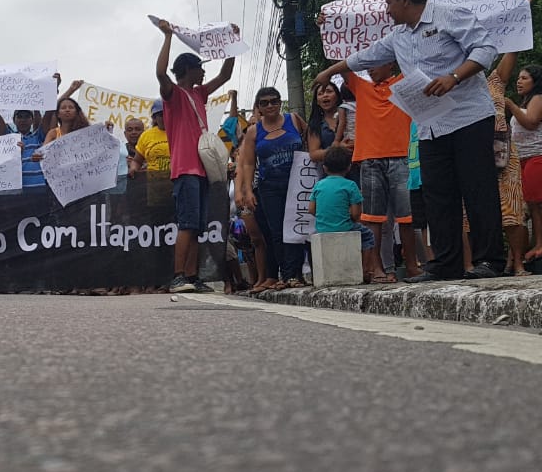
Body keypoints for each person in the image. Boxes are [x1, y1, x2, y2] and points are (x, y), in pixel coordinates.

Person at [315, 0, 504, 283]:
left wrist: (454, 77)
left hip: (468, 117)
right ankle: (445, 264)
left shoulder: (449, 15)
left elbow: (485, 49)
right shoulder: (398, 36)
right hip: (430, 125)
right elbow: (367, 56)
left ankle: (490, 260)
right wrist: (330, 71)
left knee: (477, 189)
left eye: (389, 2)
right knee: (437, 196)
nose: (387, 10)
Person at [155, 22, 239, 294]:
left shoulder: (199, 93)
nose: (204, 72)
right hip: (185, 169)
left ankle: (192, 276)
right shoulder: (173, 94)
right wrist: (168, 36)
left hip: (203, 170)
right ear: (188, 69)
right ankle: (178, 276)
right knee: (187, 224)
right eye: (200, 68)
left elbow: (225, 74)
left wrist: (232, 43)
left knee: (198, 227)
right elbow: (160, 73)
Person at [334, 63, 419, 282]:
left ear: (390, 64)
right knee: (373, 217)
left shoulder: (402, 81)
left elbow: (414, 59)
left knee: (407, 217)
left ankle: (412, 266)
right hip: (370, 160)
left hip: (401, 157)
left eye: (375, 64)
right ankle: (377, 268)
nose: (370, 70)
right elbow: (342, 64)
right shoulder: (362, 87)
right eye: (368, 66)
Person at [234, 87, 321, 291]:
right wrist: (247, 190)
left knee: (302, 226)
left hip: (298, 182)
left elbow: (312, 137)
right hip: (269, 187)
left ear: (280, 102)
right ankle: (286, 274)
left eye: (274, 101)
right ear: (258, 107)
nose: (270, 105)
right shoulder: (254, 131)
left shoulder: (294, 120)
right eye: (264, 103)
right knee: (277, 231)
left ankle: (303, 272)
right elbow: (248, 163)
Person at [481, 49, 530, 276]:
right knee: (470, 213)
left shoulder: (493, 82)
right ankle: (474, 264)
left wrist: (515, 32)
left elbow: (512, 50)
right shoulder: (454, 87)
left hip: (503, 153)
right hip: (473, 153)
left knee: (511, 210)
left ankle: (517, 263)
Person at [506, 64, 542, 263]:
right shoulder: (527, 101)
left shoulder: (539, 99)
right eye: (518, 78)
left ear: (536, 82)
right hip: (525, 157)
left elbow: (531, 122)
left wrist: (511, 106)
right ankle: (538, 243)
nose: (519, 82)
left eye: (524, 78)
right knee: (533, 204)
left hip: (540, 155)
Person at [309, 144, 376, 280]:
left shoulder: (318, 185)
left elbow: (311, 209)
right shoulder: (351, 185)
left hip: (322, 228)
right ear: (349, 167)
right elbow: (356, 214)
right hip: (345, 226)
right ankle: (365, 269)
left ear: (324, 167)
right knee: (368, 235)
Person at [131, 99, 170, 174]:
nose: (166, 117)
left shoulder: (181, 133)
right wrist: (133, 169)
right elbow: (137, 161)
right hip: (153, 180)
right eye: (161, 115)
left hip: (178, 180)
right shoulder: (146, 135)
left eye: (168, 113)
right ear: (154, 118)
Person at [309, 81, 347, 153]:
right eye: (320, 94)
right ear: (317, 102)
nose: (325, 95)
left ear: (337, 96)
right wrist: (339, 148)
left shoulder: (350, 115)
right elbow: (314, 154)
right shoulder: (315, 124)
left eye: (329, 91)